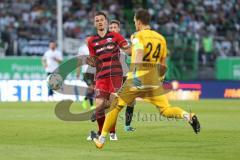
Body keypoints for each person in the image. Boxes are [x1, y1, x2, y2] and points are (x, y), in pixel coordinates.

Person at [91, 9, 201, 149]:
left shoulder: (137, 36)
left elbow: (138, 52)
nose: (135, 24)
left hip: (138, 78)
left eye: (134, 22)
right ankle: (189, 116)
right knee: (166, 110)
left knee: (116, 106)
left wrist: (135, 74)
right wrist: (160, 78)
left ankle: (101, 139)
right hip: (154, 79)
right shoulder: (161, 38)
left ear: (138, 22)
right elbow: (163, 63)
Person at [87, 11, 131, 141]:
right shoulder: (91, 41)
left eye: (101, 19)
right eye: (97, 20)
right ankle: (101, 133)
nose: (99, 22)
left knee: (113, 103)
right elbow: (93, 60)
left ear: (106, 21)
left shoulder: (116, 36)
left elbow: (127, 49)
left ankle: (112, 131)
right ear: (95, 23)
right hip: (100, 75)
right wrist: (91, 61)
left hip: (115, 74)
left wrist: (134, 49)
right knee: (99, 103)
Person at [109, 20, 136, 132]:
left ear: (119, 29)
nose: (113, 29)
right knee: (112, 100)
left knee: (132, 101)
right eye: (111, 27)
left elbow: (131, 53)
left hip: (125, 74)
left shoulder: (123, 42)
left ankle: (127, 126)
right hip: (113, 74)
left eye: (115, 27)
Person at [76, 36, 96, 111]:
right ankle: (91, 105)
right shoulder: (82, 49)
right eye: (87, 39)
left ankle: (85, 99)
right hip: (86, 71)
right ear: (85, 41)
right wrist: (78, 72)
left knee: (93, 88)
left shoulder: (95, 48)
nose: (89, 41)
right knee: (91, 87)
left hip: (94, 71)